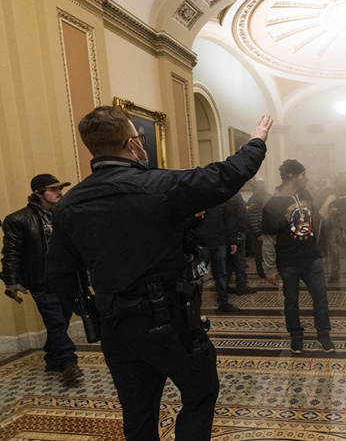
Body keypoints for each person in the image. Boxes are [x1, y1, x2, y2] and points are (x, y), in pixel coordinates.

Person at [45, 106, 272, 441]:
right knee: (200, 392)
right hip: (167, 318)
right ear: (129, 144)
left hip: (114, 325)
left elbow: (59, 274)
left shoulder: (68, 204)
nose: (140, 142)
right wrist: (257, 141)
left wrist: (92, 310)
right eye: (138, 137)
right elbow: (225, 176)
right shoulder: (160, 184)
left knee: (137, 412)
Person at [1, 174, 82, 385]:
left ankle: (51, 358)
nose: (59, 192)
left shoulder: (64, 214)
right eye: (53, 189)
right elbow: (10, 253)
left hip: (65, 280)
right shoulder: (17, 220)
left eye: (60, 188)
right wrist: (11, 281)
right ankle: (68, 363)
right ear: (38, 193)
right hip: (41, 281)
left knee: (61, 322)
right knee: (56, 321)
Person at [262, 159, 334, 355]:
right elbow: (269, 241)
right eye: (303, 175)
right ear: (293, 177)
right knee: (291, 301)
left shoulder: (305, 194)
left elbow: (316, 218)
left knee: (320, 297)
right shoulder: (272, 205)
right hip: (288, 262)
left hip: (311, 258)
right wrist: (269, 269)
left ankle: (323, 334)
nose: (306, 178)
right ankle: (296, 336)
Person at [184, 203, 240, 312]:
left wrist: (232, 240)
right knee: (197, 277)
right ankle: (193, 305)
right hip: (200, 244)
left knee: (221, 274)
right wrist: (195, 216)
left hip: (219, 242)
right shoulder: (196, 200)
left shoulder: (222, 200)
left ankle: (223, 302)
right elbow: (184, 223)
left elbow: (229, 220)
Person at [225, 192, 256, 295]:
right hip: (237, 231)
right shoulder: (236, 195)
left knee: (229, 261)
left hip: (229, 232)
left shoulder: (226, 194)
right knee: (239, 260)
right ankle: (242, 286)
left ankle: (224, 285)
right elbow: (239, 215)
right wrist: (242, 229)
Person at [247, 179, 271, 279]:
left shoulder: (267, 197)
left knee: (268, 252)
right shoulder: (254, 200)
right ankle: (261, 272)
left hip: (267, 229)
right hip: (259, 230)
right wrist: (257, 233)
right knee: (259, 253)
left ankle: (267, 271)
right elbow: (252, 217)